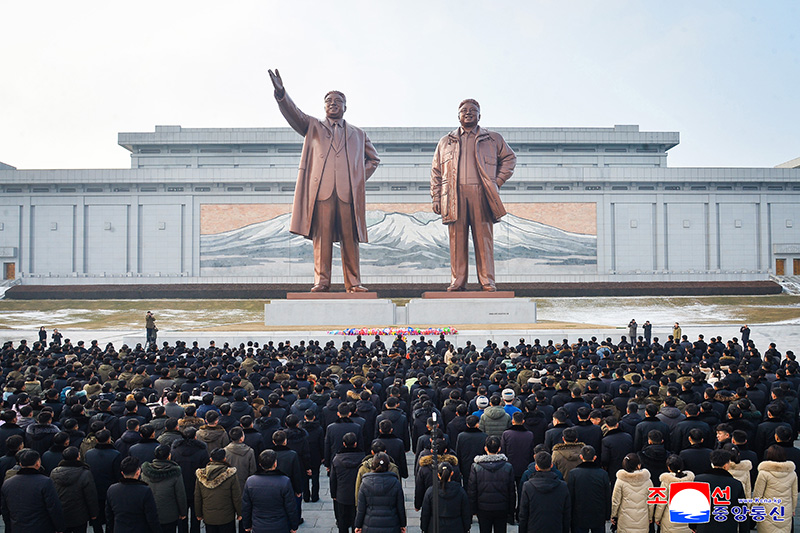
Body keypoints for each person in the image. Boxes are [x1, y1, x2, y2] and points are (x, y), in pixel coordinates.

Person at [268, 68, 380, 293]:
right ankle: (322, 281)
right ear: (324, 106)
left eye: (338, 101)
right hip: (321, 193)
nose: (333, 103)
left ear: (345, 107)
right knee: (322, 239)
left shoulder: (358, 134)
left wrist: (357, 180)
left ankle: (354, 283)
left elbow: (373, 159)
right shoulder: (313, 127)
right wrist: (281, 93)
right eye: (329, 100)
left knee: (350, 240)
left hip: (348, 195)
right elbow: (294, 113)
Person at [430, 98, 516, 292]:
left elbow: (510, 159)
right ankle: (457, 281)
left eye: (473, 110)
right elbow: (436, 171)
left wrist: (497, 181)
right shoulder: (445, 142)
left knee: (483, 239)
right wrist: (436, 197)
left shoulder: (493, 138)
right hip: (453, 195)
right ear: (458, 115)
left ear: (480, 115)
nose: (468, 113)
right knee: (457, 240)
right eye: (464, 110)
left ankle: (487, 281)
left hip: (482, 194)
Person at [0, 449, 65, 533]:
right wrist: (60, 528)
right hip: (42, 527)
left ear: (20, 464)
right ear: (38, 463)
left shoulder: (8, 483)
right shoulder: (45, 482)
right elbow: (54, 508)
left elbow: (5, 511)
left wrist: (9, 528)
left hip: (18, 527)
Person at [241, 449, 299, 533]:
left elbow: (246, 506)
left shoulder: (251, 481)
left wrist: (246, 525)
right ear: (275, 464)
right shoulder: (284, 481)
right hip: (280, 525)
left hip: (258, 525)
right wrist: (294, 526)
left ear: (260, 464)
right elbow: (291, 507)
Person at [468, 436, 516, 533]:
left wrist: (473, 509)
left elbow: (472, 490)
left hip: (483, 507)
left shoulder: (476, 467)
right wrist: (511, 510)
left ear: (485, 448)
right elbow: (511, 491)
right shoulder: (507, 466)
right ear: (499, 449)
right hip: (502, 507)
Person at [693, 449, 747, 533]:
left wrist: (693, 525)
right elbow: (742, 511)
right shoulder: (736, 484)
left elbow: (694, 506)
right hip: (728, 527)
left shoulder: (699, 480)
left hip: (704, 527)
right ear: (726, 465)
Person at [105, 455, 161, 533]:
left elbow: (109, 516)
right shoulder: (145, 491)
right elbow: (152, 518)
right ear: (138, 472)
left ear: (122, 473)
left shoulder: (112, 490)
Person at [50, 446, 100, 533]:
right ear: (78, 457)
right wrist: (94, 514)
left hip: (62, 513)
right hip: (80, 515)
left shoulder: (54, 473)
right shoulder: (85, 473)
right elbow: (90, 495)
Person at [354, 452, 406, 533]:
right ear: (388, 466)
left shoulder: (365, 483)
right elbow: (400, 506)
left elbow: (361, 509)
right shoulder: (395, 482)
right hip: (391, 524)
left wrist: (358, 525)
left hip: (370, 524)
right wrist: (403, 524)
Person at [519, 450, 570, 533]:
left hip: (533, 528)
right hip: (556, 527)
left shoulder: (528, 486)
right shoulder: (562, 486)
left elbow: (523, 514)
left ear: (536, 467)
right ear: (551, 465)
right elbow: (566, 514)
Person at [141, 444, 188, 533]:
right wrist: (183, 512)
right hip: (169, 515)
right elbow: (180, 494)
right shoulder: (175, 472)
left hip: (150, 513)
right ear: (169, 456)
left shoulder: (146, 472)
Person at [194, 447, 241, 533]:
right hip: (227, 516)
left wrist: (198, 514)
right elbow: (236, 496)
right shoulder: (230, 475)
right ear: (224, 459)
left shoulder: (201, 476)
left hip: (209, 517)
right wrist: (239, 513)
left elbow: (197, 496)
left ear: (210, 459)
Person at [752, 445, 798, 533]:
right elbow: (794, 494)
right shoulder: (792, 473)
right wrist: (792, 509)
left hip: (767, 511)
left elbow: (758, 494)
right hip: (785, 510)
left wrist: (754, 508)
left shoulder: (764, 473)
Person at [566, 446, 609, 533]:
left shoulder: (573, 473)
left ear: (581, 457)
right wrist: (607, 515)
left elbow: (571, 495)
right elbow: (607, 496)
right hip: (598, 514)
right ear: (595, 457)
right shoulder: (603, 474)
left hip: (579, 515)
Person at [420, 462, 471, 533]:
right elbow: (466, 512)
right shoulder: (460, 491)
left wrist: (424, 528)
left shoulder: (431, 491)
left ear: (438, 474)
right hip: (456, 526)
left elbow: (425, 513)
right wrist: (467, 527)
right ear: (452, 473)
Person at [330, 432, 365, 533]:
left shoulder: (337, 459)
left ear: (344, 444)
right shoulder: (363, 458)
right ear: (355, 444)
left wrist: (333, 494)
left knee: (342, 522)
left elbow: (333, 479)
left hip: (342, 495)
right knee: (357, 522)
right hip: (358, 494)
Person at [610, 453, 652, 533]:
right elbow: (651, 502)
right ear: (639, 466)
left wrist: (613, 515)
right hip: (642, 520)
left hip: (625, 520)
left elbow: (615, 501)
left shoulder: (620, 481)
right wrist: (650, 517)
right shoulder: (647, 480)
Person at [653, 455, 695, 533]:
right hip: (687, 518)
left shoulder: (667, 481)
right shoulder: (691, 479)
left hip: (669, 519)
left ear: (669, 467)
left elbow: (662, 502)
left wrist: (657, 518)